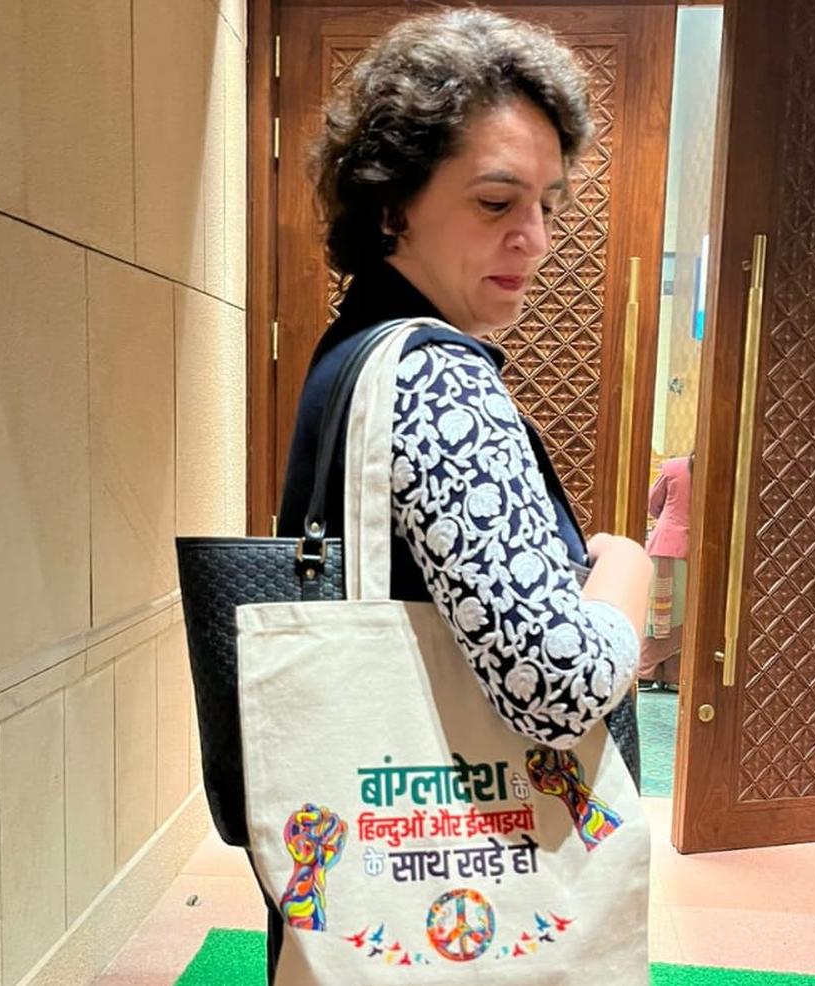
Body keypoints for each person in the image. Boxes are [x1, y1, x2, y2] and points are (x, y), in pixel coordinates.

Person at [273, 8, 652, 980]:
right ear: (394, 201)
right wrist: (626, 568)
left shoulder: (352, 350)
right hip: (464, 870)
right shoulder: (440, 376)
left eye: (548, 203)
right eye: (495, 202)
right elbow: (553, 686)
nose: (534, 237)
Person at [638, 453, 693, 690]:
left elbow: (652, 503)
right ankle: (673, 674)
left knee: (660, 612)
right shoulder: (714, 469)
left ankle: (645, 670)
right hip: (698, 548)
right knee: (685, 612)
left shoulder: (673, 467)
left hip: (665, 544)